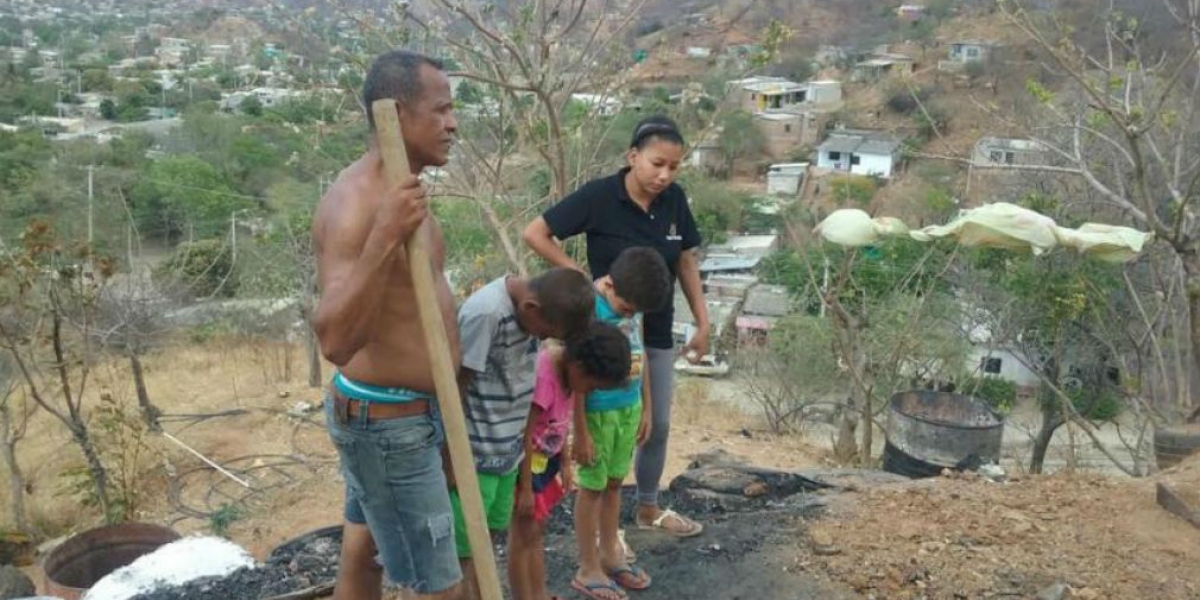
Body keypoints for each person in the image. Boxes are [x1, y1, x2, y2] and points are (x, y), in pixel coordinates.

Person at [311, 49, 462, 600]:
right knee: (442, 586)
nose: (453, 124)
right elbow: (335, 338)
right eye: (441, 110)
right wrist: (383, 237)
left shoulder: (402, 191)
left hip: (406, 418)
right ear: (396, 115)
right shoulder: (357, 206)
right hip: (387, 424)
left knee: (362, 555)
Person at [523, 115, 708, 538]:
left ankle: (646, 507)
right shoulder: (600, 197)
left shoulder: (675, 201)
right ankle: (603, 526)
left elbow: (684, 261)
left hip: (652, 332)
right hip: (601, 335)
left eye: (673, 167)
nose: (664, 175)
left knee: (653, 422)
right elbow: (535, 233)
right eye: (657, 163)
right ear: (633, 157)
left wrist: (702, 320)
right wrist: (584, 283)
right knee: (598, 425)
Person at [451, 267, 594, 599]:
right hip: (474, 458)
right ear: (532, 309)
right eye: (546, 333)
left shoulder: (532, 312)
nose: (543, 340)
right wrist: (449, 456)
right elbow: (456, 385)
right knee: (462, 555)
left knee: (484, 545)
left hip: (507, 456)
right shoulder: (485, 313)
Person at [571, 247, 672, 600]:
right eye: (627, 308)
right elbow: (577, 375)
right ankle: (588, 566)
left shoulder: (630, 303)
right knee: (592, 487)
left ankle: (611, 553)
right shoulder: (588, 311)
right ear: (609, 285)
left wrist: (645, 407)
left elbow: (638, 350)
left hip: (628, 409)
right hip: (598, 412)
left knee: (615, 483)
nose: (630, 314)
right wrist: (580, 431)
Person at [508, 322, 633, 600]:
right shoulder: (545, 377)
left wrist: (564, 462)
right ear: (578, 365)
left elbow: (559, 423)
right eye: (590, 385)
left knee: (536, 532)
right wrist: (526, 487)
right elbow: (525, 434)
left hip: (544, 463)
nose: (588, 392)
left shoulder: (570, 376)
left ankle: (538, 594)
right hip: (526, 467)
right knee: (522, 536)